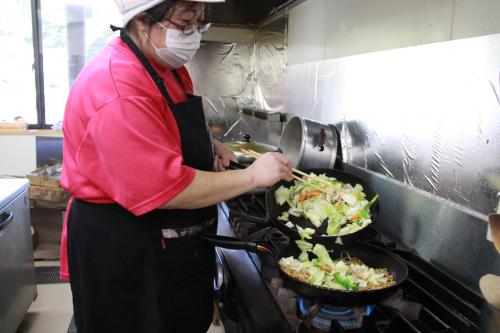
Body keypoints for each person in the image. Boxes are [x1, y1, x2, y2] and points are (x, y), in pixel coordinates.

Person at [58, 0, 293, 332]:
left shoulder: (163, 66)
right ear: (141, 21)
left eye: (200, 22)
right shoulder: (117, 88)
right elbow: (165, 187)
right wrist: (252, 175)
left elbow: (159, 126)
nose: (194, 33)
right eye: (185, 23)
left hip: (169, 244)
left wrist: (206, 145)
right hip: (126, 246)